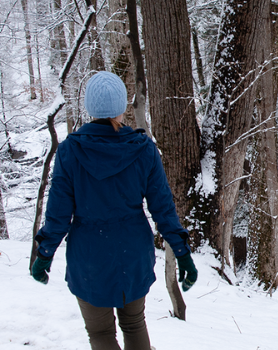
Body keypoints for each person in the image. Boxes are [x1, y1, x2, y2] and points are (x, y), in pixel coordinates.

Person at [31, 71, 198, 350]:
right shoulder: (143, 149)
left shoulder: (70, 151)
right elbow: (163, 207)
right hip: (133, 254)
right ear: (122, 107)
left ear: (90, 107)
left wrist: (44, 254)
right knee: (134, 323)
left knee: (100, 334)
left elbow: (58, 214)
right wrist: (182, 252)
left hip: (89, 257)